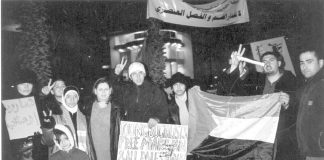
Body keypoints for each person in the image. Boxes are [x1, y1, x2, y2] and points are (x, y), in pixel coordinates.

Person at [225, 46, 299, 160]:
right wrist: (235, 69)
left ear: (279, 63)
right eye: (264, 61)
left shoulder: (292, 82)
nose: (267, 63)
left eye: (271, 60)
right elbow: (234, 93)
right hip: (255, 135)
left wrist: (289, 104)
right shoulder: (256, 81)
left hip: (277, 138)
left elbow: (301, 108)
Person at [2, 68, 47, 160]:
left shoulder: (39, 103)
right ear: (16, 85)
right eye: (22, 83)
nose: (26, 87)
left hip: (39, 152)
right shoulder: (6, 106)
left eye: (29, 83)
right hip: (17, 154)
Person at [114, 57, 169, 128]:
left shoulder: (155, 90)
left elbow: (164, 111)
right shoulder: (126, 90)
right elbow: (114, 91)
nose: (138, 76)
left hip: (149, 131)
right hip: (132, 131)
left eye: (140, 73)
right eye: (134, 74)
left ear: (144, 74)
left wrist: (157, 118)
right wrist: (116, 74)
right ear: (130, 77)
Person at [41, 86, 93, 160]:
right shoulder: (55, 116)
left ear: (78, 98)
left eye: (75, 96)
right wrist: (47, 128)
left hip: (81, 156)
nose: (72, 99)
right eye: (68, 96)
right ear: (64, 98)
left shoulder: (84, 117)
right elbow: (48, 142)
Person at [83, 77, 122, 160]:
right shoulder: (87, 107)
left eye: (106, 89)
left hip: (110, 152)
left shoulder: (117, 109)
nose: (103, 92)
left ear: (110, 91)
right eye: (100, 89)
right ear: (95, 91)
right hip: (94, 151)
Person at [296, 50, 324, 160]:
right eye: (302, 63)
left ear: (321, 63)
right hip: (309, 151)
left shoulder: (321, 86)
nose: (304, 66)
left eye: (309, 61)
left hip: (318, 153)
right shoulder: (309, 85)